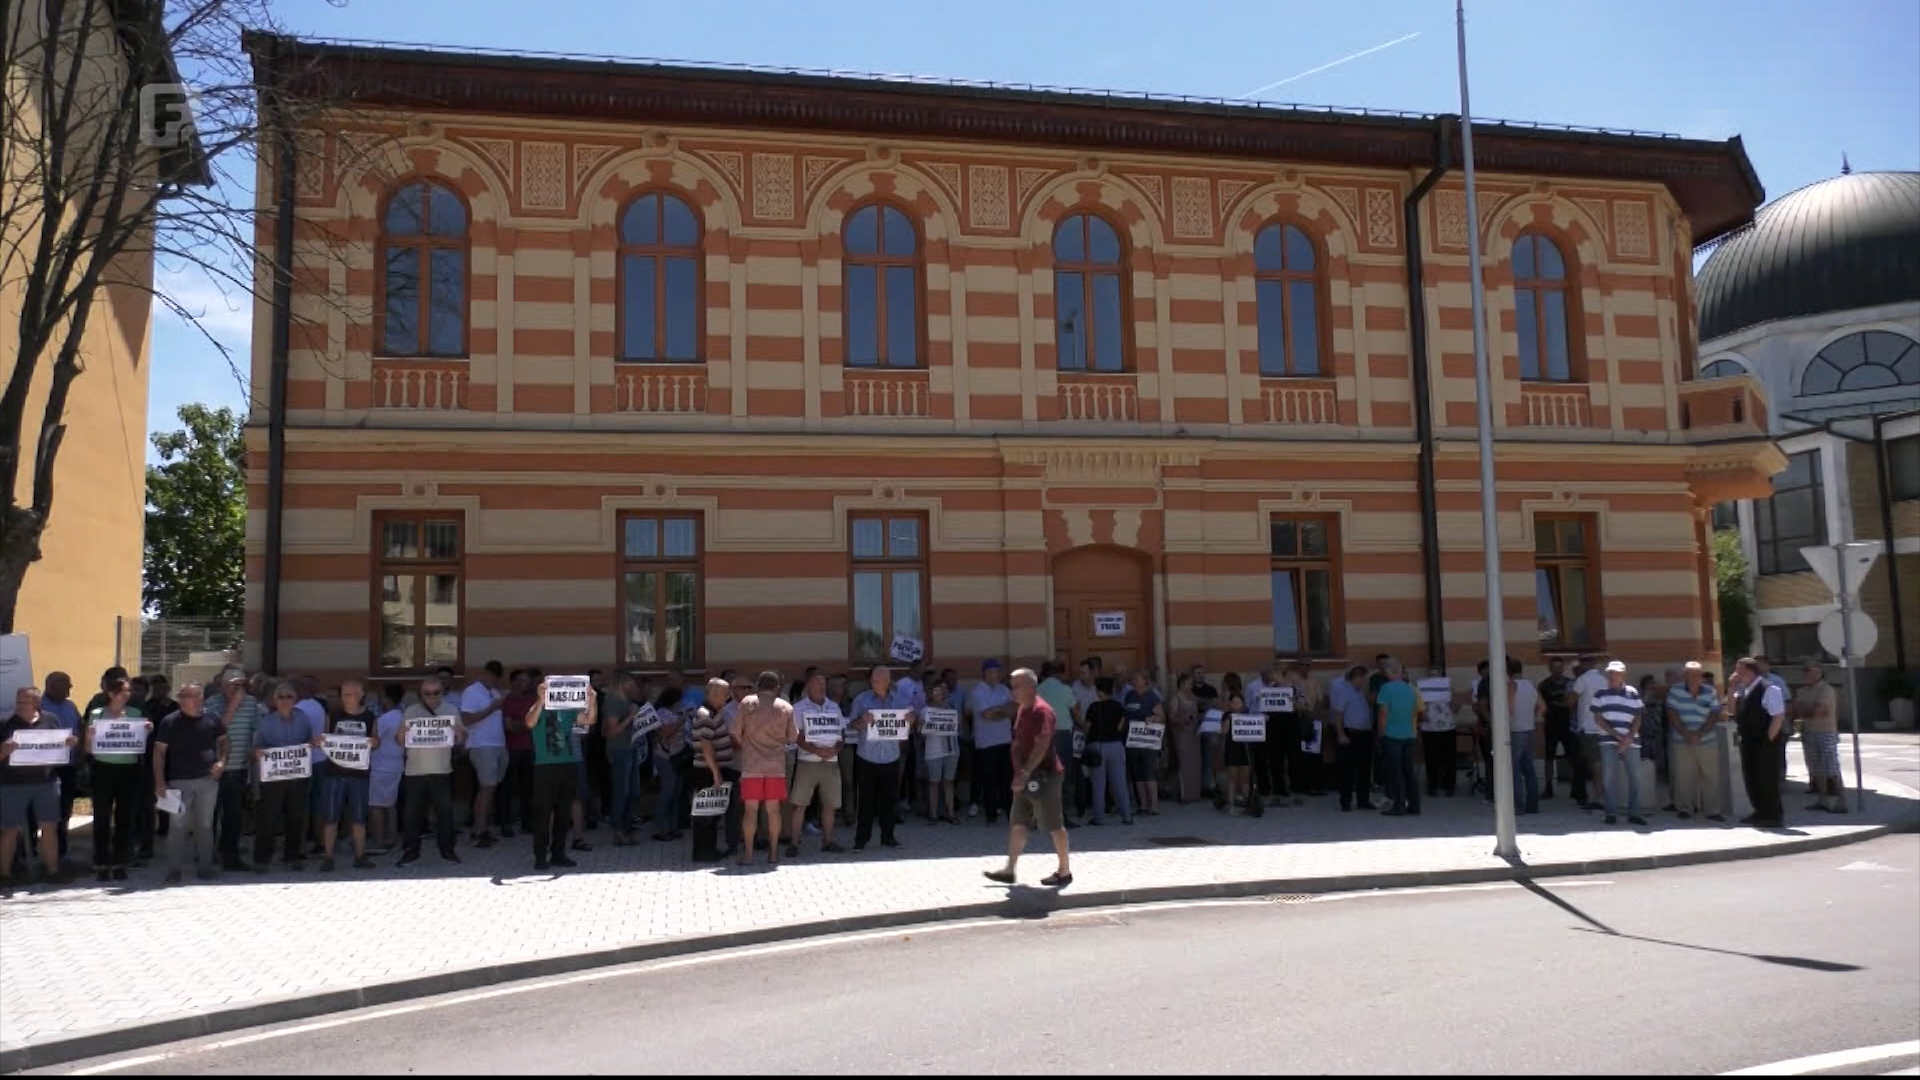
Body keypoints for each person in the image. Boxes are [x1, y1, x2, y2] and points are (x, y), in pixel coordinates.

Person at [982, 667, 1071, 888]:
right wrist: (1019, 772)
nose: (1013, 691)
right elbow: (1019, 742)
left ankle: (1064, 871)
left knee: (1054, 823)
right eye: (1012, 686)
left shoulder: (1043, 711)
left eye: (1017, 686)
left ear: (1031, 686)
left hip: (1046, 775)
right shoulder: (1023, 709)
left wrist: (1023, 772)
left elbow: (1042, 745)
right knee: (1018, 822)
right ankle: (1010, 870)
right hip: (1025, 776)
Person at [1, 686, 77, 890]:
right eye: (18, 701)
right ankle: (4, 875)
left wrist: (68, 743)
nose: (18, 706)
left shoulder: (51, 720)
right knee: (10, 829)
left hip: (46, 783)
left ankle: (52, 871)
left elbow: (59, 746)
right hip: (13, 784)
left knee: (49, 826)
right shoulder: (5, 723)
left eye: (23, 702)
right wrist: (4, 750)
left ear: (36, 703)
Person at [151, 682, 227, 883]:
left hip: (207, 780)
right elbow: (159, 752)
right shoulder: (170, 721)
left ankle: (205, 867)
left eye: (187, 695)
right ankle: (174, 870)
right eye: (181, 696)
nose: (182, 699)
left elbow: (224, 740)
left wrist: (221, 761)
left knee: (205, 825)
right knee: (177, 826)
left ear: (199, 698)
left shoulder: (213, 718)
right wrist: (160, 782)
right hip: (178, 782)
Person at [251, 681, 323, 870]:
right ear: (275, 700)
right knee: (268, 818)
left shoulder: (303, 718)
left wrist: (311, 743)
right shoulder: (267, 720)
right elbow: (257, 745)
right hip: (273, 778)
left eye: (288, 696)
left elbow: (307, 739)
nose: (284, 700)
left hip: (297, 777)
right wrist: (259, 752)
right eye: (280, 697)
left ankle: (292, 856)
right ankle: (262, 859)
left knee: (296, 816)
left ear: (295, 700)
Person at [84, 676, 150, 881]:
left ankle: (121, 862)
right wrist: (89, 736)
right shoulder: (97, 714)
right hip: (103, 769)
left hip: (129, 769)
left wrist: (147, 731)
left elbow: (140, 745)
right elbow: (88, 749)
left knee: (125, 818)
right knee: (102, 817)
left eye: (129, 691)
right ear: (111, 693)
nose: (128, 695)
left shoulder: (135, 714)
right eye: (124, 691)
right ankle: (101, 862)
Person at [526, 677, 595, 871]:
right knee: (543, 813)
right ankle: (540, 855)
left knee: (564, 813)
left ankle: (559, 853)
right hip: (544, 767)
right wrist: (541, 699)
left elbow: (589, 720)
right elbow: (530, 722)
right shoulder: (538, 707)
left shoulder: (570, 710)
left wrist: (592, 698)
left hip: (568, 764)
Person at [398, 678, 464, 867]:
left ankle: (448, 851)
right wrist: (402, 733)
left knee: (445, 814)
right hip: (414, 771)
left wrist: (459, 733)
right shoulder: (410, 712)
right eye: (428, 693)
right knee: (412, 815)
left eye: (436, 693)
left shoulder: (451, 710)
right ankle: (411, 852)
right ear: (421, 694)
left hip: (442, 770)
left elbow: (460, 741)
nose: (432, 697)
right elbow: (400, 742)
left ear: (442, 692)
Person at [850, 666, 914, 850]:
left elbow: (911, 720)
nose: (879, 683)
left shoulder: (900, 700)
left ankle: (888, 836)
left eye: (883, 679)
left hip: (891, 756)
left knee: (889, 799)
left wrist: (911, 719)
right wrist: (862, 720)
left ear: (888, 681)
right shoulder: (861, 700)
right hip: (867, 757)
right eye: (876, 680)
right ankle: (861, 839)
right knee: (866, 801)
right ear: (871, 681)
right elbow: (852, 725)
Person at [318, 680, 378, 871]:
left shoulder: (370, 717)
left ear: (361, 695)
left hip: (359, 773)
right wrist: (320, 741)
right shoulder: (333, 714)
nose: (347, 698)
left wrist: (371, 742)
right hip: (334, 773)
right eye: (344, 694)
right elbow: (324, 737)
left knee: (359, 817)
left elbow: (377, 742)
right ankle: (328, 857)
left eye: (351, 694)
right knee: (330, 816)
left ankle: (360, 855)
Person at [787, 671, 848, 855]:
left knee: (829, 804)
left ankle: (828, 841)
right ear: (808, 687)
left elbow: (842, 731)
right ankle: (794, 843)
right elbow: (795, 735)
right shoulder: (798, 708)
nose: (822, 688)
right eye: (817, 684)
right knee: (800, 804)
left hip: (831, 761)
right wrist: (815, 750)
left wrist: (836, 749)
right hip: (808, 761)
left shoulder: (834, 707)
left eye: (824, 684)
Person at [1731, 657, 1788, 829]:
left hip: (1764, 743)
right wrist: (1731, 687)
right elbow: (1731, 710)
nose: (1736, 674)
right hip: (1748, 741)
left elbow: (1778, 716)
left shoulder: (1769, 689)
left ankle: (1773, 815)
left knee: (1767, 779)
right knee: (1752, 778)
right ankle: (1759, 811)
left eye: (1738, 670)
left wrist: (1769, 739)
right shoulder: (1743, 690)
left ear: (1749, 671)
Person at [457, 661, 508, 849]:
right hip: (481, 745)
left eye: (496, 678)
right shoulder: (472, 692)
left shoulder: (494, 692)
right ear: (484, 673)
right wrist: (492, 708)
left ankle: (484, 828)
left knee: (491, 788)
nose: (493, 680)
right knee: (486, 787)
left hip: (498, 744)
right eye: (491, 676)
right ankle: (478, 831)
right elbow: (466, 719)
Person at [1665, 661, 1725, 822]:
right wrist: (1686, 734)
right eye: (1691, 675)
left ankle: (1712, 810)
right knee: (1683, 775)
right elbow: (1672, 714)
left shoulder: (1710, 691)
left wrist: (1699, 734)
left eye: (1698, 675)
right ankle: (1685, 808)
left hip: (1707, 740)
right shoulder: (1675, 691)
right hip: (1681, 740)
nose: (1695, 678)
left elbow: (1714, 715)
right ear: (1685, 676)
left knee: (1710, 775)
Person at [1590, 661, 1647, 826]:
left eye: (1616, 673)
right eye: (1611, 673)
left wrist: (1628, 737)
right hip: (1608, 739)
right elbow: (1598, 719)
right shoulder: (1600, 694)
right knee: (1608, 776)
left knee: (1635, 777)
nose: (1613, 676)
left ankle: (1635, 813)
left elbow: (1638, 716)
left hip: (1631, 740)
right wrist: (1617, 736)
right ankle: (1610, 812)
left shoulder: (1633, 693)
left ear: (1623, 674)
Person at [34, 671, 82, 865]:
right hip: (42, 768)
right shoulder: (39, 706)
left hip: (67, 767)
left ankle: (60, 851)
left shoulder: (70, 706)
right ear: (51, 686)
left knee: (63, 810)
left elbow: (80, 728)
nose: (70, 689)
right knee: (36, 812)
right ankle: (31, 851)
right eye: (66, 685)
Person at [967, 660, 1015, 826]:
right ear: (986, 673)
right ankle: (991, 814)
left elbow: (1014, 709)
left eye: (999, 671)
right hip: (986, 743)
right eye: (994, 671)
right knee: (989, 780)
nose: (997, 675)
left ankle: (1010, 812)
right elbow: (986, 715)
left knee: (1007, 779)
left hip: (1005, 740)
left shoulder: (1004, 689)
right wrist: (1003, 709)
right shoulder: (978, 691)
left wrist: (998, 711)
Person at [1375, 657, 1422, 817]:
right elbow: (1415, 711)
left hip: (1391, 734)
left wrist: (1380, 734)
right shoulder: (1411, 688)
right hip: (1409, 734)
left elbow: (1383, 714)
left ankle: (1399, 804)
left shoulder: (1386, 689)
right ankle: (1415, 804)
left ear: (1388, 671)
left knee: (1395, 773)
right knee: (1409, 771)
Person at [1795, 661, 1844, 814]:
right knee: (1816, 769)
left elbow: (1818, 711)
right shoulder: (1802, 691)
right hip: (1808, 732)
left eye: (1812, 671)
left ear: (1819, 673)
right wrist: (1809, 711)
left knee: (1831, 768)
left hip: (1826, 732)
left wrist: (1807, 711)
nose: (1808, 674)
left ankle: (1840, 802)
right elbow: (1797, 710)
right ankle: (1822, 800)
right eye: (1806, 671)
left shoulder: (1826, 690)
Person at [1538, 657, 1587, 804]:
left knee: (1571, 757)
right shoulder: (1544, 685)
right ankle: (1548, 787)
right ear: (1550, 668)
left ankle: (1574, 787)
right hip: (1551, 724)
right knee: (1549, 757)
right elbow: (1540, 704)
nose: (1558, 670)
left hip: (1568, 725)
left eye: (1560, 667)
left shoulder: (1570, 683)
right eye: (1555, 667)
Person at [601, 674, 643, 845]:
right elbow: (611, 731)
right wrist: (631, 716)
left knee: (634, 791)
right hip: (619, 750)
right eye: (632, 684)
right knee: (621, 791)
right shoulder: (613, 701)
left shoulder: (627, 701)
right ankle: (618, 829)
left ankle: (626, 827)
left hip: (630, 748)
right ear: (623, 683)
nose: (635, 688)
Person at [1569, 654, 1611, 811]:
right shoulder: (1604, 680)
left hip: (1588, 727)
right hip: (1605, 727)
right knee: (1603, 763)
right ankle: (1606, 795)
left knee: (1595, 764)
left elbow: (1570, 702)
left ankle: (1600, 797)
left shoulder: (1582, 679)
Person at [499, 668, 538, 839]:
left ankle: (528, 822)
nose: (525, 683)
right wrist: (527, 725)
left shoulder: (533, 699)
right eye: (521, 680)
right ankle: (505, 823)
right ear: (513, 682)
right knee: (507, 787)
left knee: (528, 788)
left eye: (527, 680)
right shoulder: (509, 700)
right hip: (512, 748)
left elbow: (538, 722)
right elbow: (509, 726)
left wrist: (522, 724)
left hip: (531, 748)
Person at [1331, 665, 1376, 811]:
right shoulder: (1344, 692)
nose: (1364, 681)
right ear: (1355, 677)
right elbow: (1338, 714)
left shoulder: (1360, 693)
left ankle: (1363, 800)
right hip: (1350, 733)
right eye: (1362, 678)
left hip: (1364, 733)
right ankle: (1346, 801)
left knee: (1364, 768)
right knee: (1347, 770)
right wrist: (1341, 734)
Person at [369, 682, 407, 854]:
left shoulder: (383, 720)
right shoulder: (403, 717)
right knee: (390, 805)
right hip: (396, 764)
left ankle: (378, 841)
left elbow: (374, 743)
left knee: (376, 805)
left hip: (381, 766)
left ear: (385, 697)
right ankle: (392, 838)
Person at [1122, 669, 1165, 816]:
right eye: (1133, 678)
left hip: (1147, 740)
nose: (1134, 681)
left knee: (1148, 772)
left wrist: (1152, 719)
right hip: (1132, 740)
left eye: (1137, 678)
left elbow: (1161, 717)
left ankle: (1154, 805)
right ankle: (1143, 805)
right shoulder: (1129, 695)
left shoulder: (1152, 697)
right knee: (1137, 774)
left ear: (1145, 680)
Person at [919, 679, 961, 825]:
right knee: (933, 783)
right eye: (936, 691)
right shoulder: (925, 711)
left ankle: (950, 813)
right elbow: (921, 734)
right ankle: (933, 814)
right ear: (931, 694)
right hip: (934, 750)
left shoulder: (951, 708)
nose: (939, 694)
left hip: (952, 749)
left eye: (942, 691)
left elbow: (958, 726)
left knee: (949, 782)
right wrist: (924, 727)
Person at [1506, 657, 1543, 815]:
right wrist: (1533, 717)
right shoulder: (1530, 684)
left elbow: (1509, 707)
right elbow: (1543, 707)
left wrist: (1507, 723)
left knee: (1513, 769)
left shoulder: (1511, 685)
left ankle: (1517, 805)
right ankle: (1533, 805)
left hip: (1515, 730)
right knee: (1529, 768)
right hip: (1530, 729)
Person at [1416, 666, 1457, 799]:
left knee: (1449, 757)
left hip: (1447, 726)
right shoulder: (1422, 689)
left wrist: (1452, 694)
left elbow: (1455, 708)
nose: (1434, 677)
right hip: (1429, 726)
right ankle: (1432, 785)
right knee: (1431, 757)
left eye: (1436, 674)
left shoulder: (1448, 689)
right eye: (1431, 674)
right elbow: (1417, 706)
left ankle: (1449, 785)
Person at [1166, 671, 1201, 804]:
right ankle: (1183, 793)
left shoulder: (1193, 697)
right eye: (1189, 683)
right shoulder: (1176, 698)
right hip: (1181, 734)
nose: (1191, 686)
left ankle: (1194, 793)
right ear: (1182, 683)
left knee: (1194, 763)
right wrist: (1183, 719)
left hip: (1193, 733)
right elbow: (1171, 717)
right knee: (1183, 762)